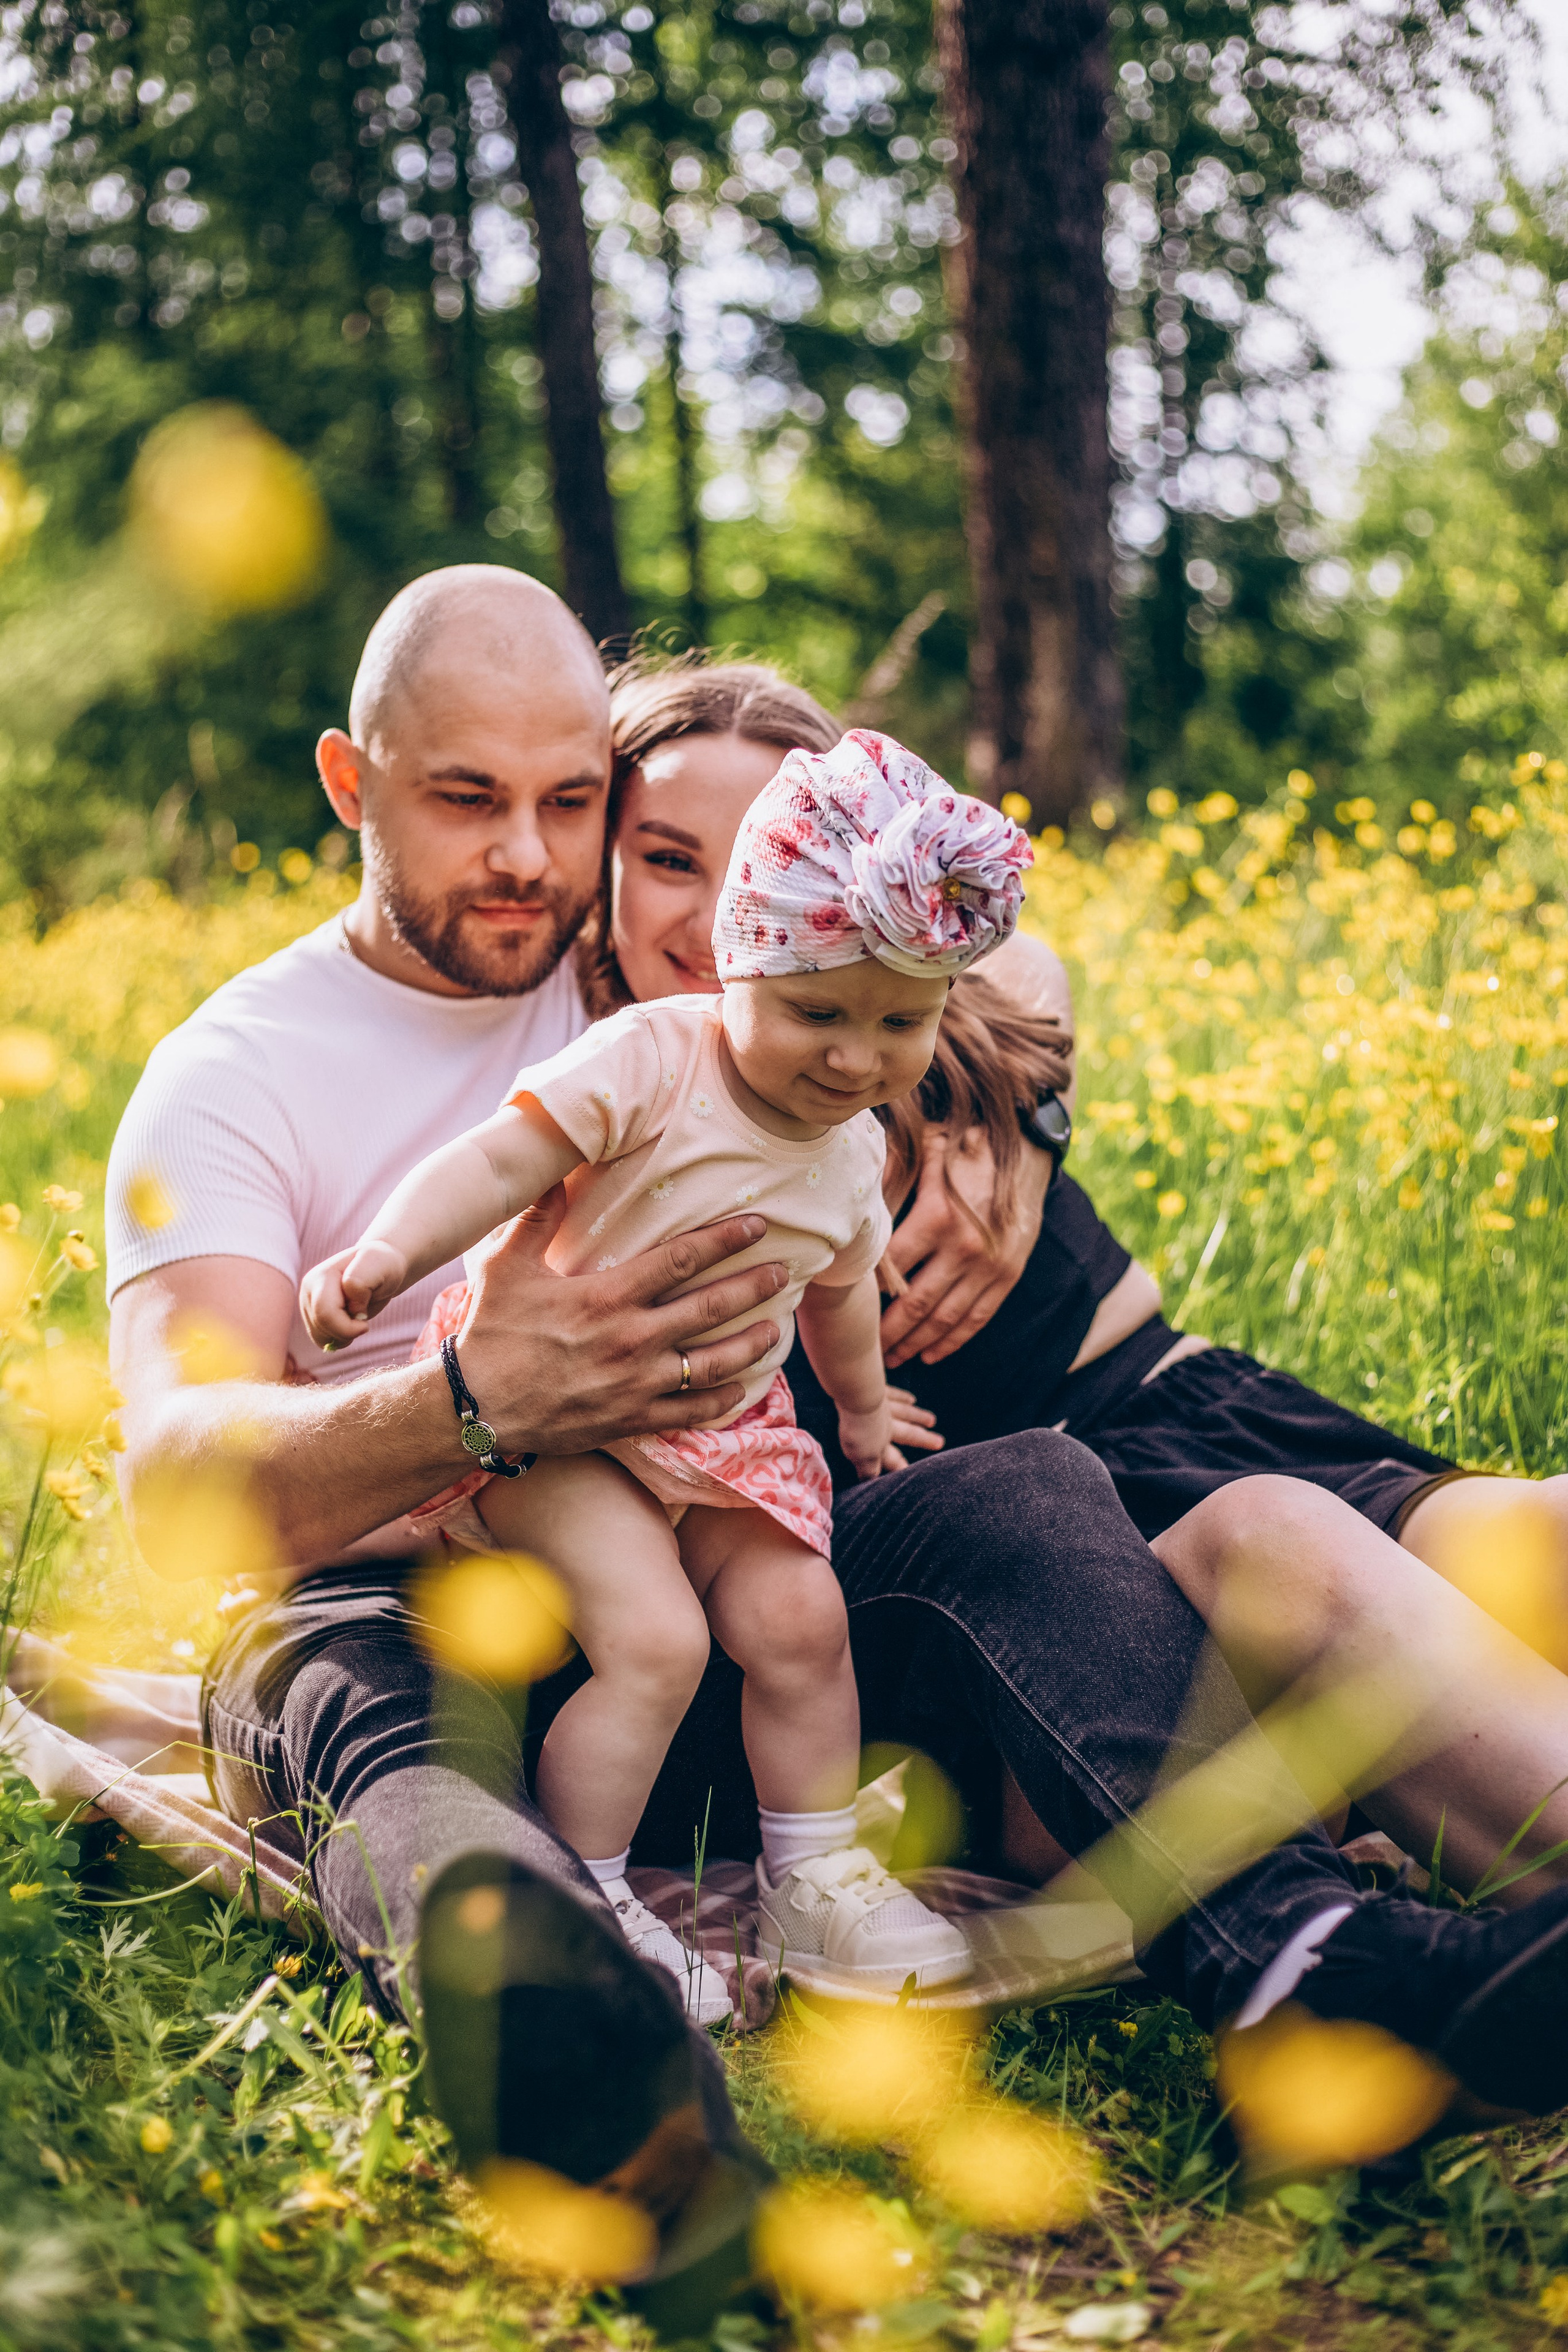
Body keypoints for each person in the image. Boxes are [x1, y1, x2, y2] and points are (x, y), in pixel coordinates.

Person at [103, 576, 1568, 2301]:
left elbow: (954, 920)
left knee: (1018, 1492)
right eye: (463, 801)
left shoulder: (678, 981)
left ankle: (1306, 1961)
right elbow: (180, 1484)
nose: (525, 856)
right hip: (407, 1587)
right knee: (372, 1713)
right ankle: (590, 2064)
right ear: (354, 786)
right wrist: (468, 1405)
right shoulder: (240, 1073)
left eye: (571, 801)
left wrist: (1015, 1110)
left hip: (718, 1562)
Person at [590, 657, 1568, 1913]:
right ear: (601, 869)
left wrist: (1024, 1129)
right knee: (1300, 1583)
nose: (732, 908)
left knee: (1538, 1536)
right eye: (671, 861)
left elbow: (1030, 958)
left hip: (1179, 1414)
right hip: (1039, 1555)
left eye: (769, 853)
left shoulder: (909, 1004)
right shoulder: (615, 1107)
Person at [301, 732, 1028, 2005]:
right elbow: (494, 1164)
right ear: (742, 964)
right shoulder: (652, 1060)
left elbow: (839, 1295)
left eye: (899, 1023)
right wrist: (383, 1253)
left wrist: (860, 1412)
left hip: (723, 1427)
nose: (854, 1057)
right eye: (815, 1012)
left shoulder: (852, 1148)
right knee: (656, 1641)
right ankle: (600, 1894)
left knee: (799, 1618)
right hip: (555, 1427)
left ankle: (814, 1882)